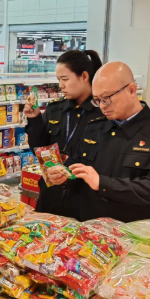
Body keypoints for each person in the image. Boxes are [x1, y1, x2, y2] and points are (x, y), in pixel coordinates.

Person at [47, 62, 150, 223]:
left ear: (131, 90)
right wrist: (62, 175)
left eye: (106, 98)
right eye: (97, 100)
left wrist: (102, 183)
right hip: (91, 225)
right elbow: (75, 163)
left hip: (137, 229)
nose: (102, 106)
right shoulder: (94, 128)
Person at [24, 50, 103, 218]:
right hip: (51, 192)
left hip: (84, 199)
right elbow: (40, 148)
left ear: (84, 76)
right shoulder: (55, 109)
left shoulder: (103, 113)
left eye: (65, 79)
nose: (61, 85)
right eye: (59, 79)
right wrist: (34, 119)